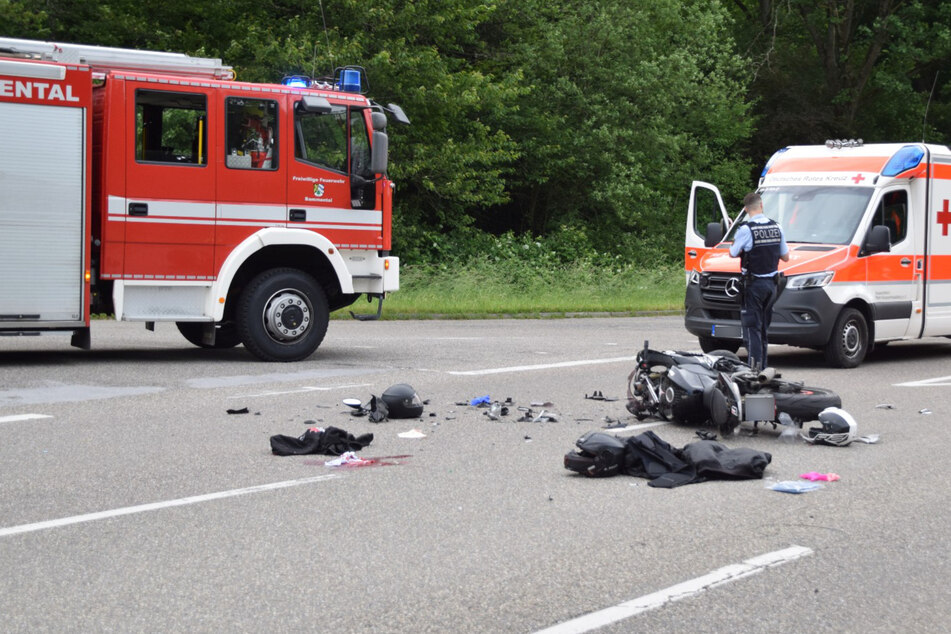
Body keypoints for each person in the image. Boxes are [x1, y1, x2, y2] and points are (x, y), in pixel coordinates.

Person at [729, 192, 790, 370]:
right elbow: (785, 257)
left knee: (752, 329)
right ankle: (763, 368)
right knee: (763, 328)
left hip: (754, 285)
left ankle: (755, 371)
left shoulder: (746, 230)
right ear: (761, 205)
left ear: (746, 209)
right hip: (772, 285)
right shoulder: (777, 227)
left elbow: (732, 253)